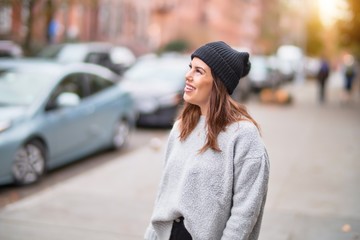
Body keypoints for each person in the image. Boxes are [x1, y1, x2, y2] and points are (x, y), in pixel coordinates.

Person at [144, 41, 270, 240]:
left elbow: (245, 212)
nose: (188, 75)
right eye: (190, 68)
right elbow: (164, 193)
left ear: (218, 83)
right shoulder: (181, 127)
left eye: (199, 71)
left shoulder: (243, 134)